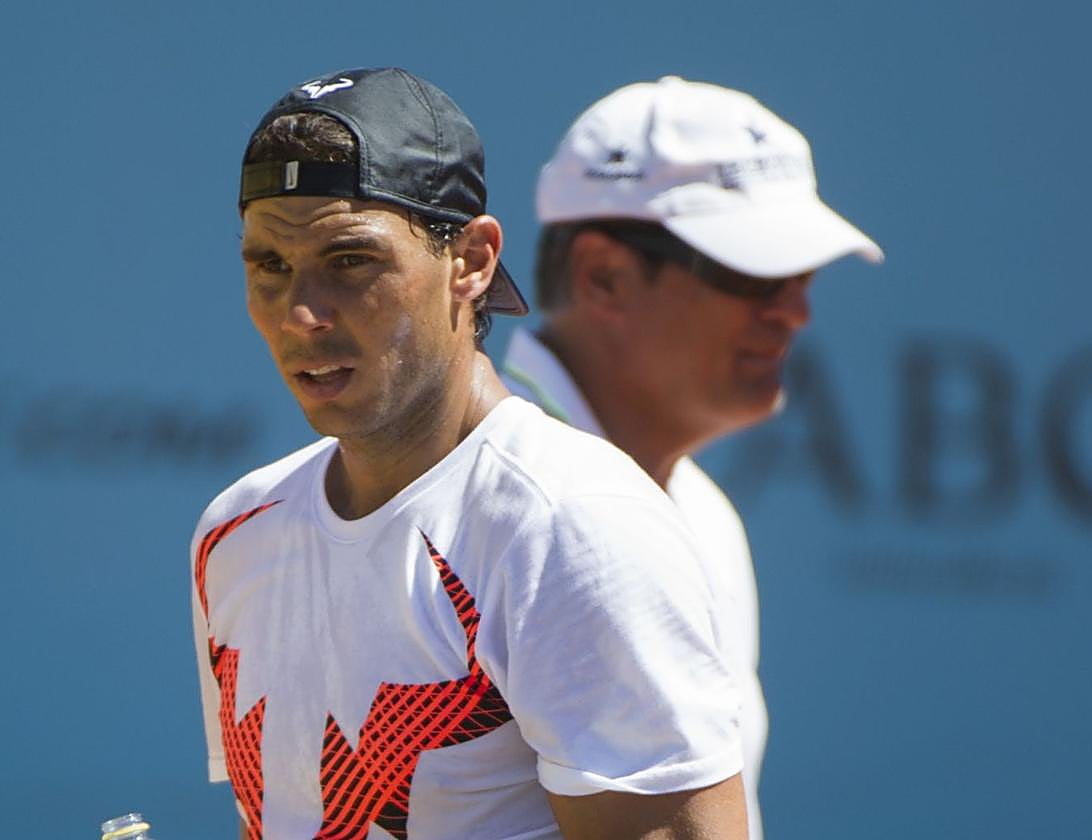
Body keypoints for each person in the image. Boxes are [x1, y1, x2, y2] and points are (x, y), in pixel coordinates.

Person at [191, 67, 748, 840]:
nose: (302, 314)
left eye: (350, 260)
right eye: (270, 266)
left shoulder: (572, 525)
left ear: (472, 261)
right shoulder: (235, 530)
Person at [501, 76, 884, 839]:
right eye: (753, 272)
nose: (796, 310)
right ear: (603, 276)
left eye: (802, 274)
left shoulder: (704, 515)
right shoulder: (462, 500)